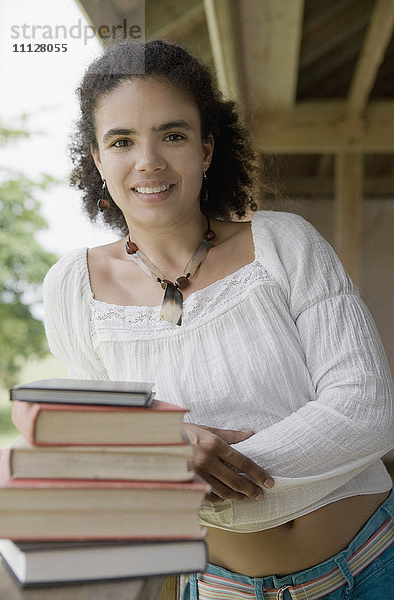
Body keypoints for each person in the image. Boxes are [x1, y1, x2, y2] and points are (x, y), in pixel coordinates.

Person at [43, 39, 394, 599]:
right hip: (218, 589)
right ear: (96, 159)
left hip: (373, 567)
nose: (149, 161)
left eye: (173, 135)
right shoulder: (73, 287)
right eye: (123, 140)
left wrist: (193, 469)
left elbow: (367, 409)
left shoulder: (284, 243)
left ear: (207, 150)